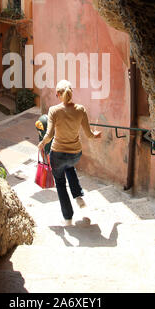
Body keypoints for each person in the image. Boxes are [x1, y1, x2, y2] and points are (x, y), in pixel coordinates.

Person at [37, 80, 101, 226]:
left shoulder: (54, 110)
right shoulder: (80, 109)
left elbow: (49, 135)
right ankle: (78, 195)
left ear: (58, 94)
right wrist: (96, 134)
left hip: (58, 154)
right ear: (70, 93)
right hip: (75, 154)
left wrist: (41, 144)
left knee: (60, 184)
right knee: (69, 167)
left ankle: (68, 218)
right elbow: (90, 135)